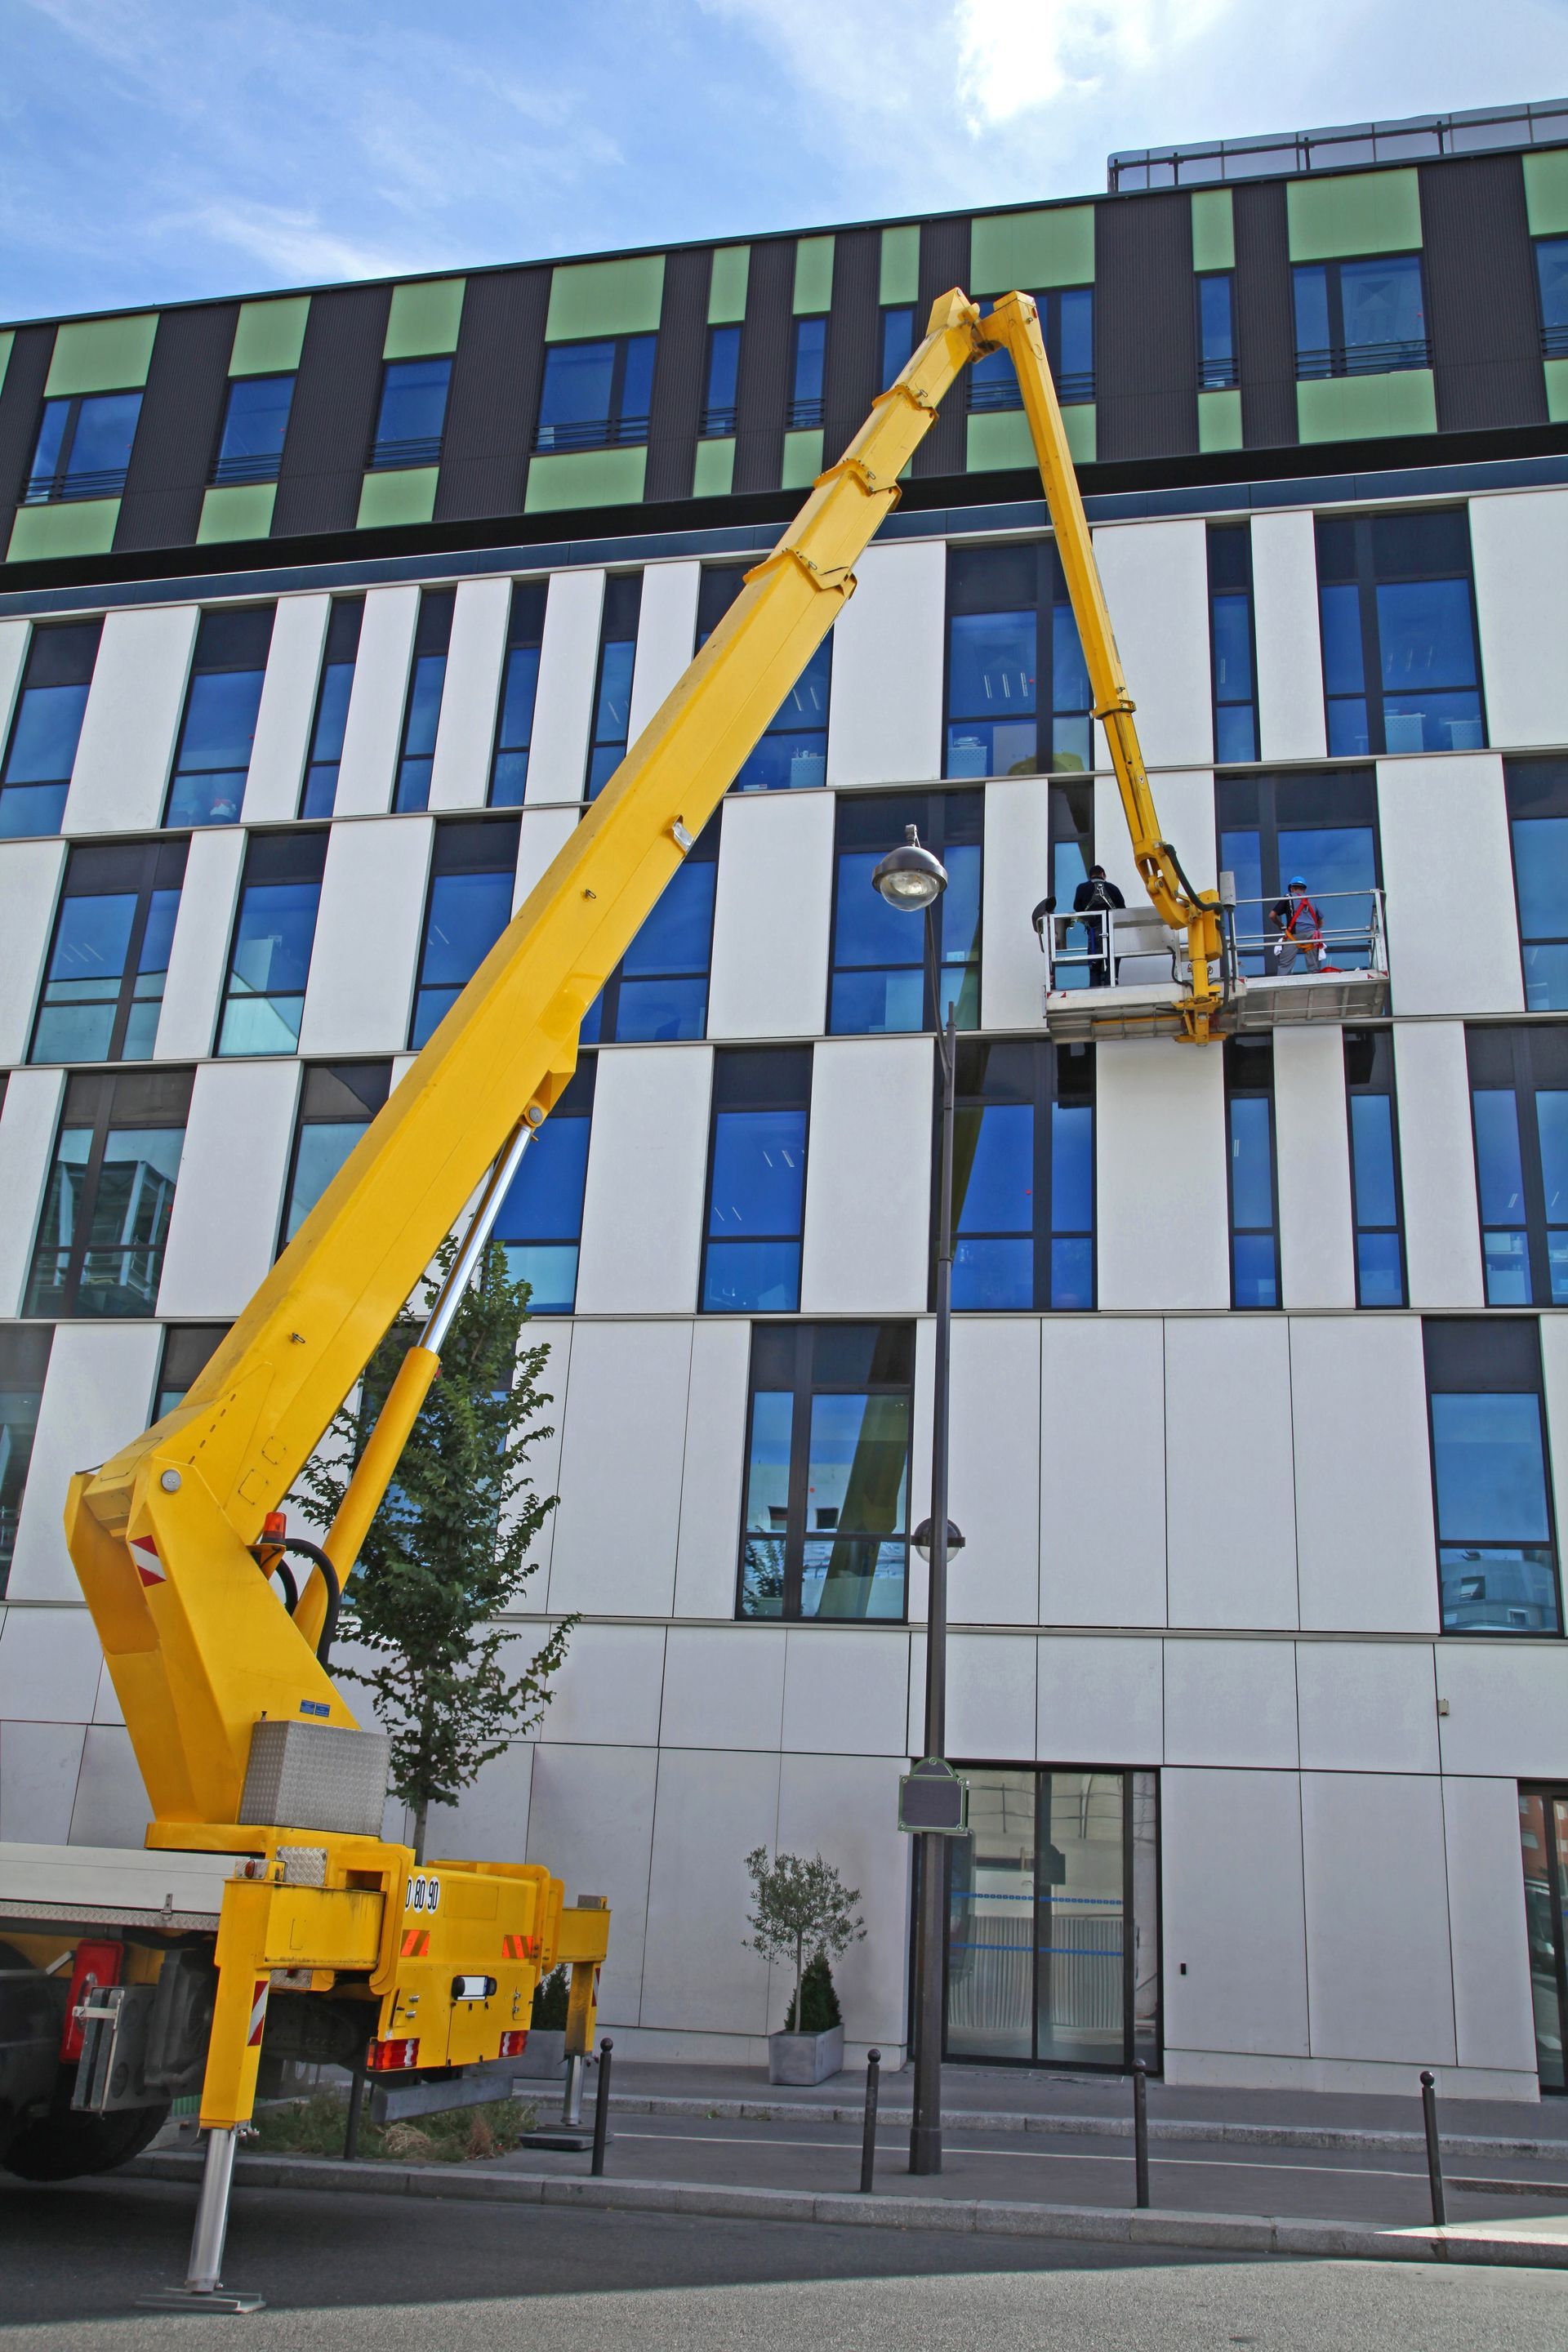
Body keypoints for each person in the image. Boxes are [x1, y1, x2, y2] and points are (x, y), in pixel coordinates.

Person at [1072, 865, 1125, 987]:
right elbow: (1122, 909)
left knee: (1095, 963)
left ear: (1090, 876)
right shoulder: (1113, 888)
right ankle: (1111, 983)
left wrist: (1089, 918)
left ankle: (1095, 987)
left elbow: (1077, 907)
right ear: (1102, 874)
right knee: (1113, 959)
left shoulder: (1082, 888)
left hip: (1094, 932)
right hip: (1111, 931)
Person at [1268, 875, 1325, 973]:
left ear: (1292, 888)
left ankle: (1281, 987)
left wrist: (1281, 926)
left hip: (1293, 936)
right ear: (1304, 889)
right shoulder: (1311, 900)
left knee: (1285, 966)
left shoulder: (1288, 897)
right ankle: (1315, 986)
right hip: (1312, 935)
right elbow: (1321, 923)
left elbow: (1272, 916)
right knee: (1314, 969)